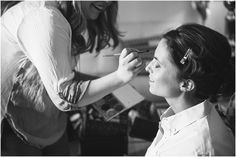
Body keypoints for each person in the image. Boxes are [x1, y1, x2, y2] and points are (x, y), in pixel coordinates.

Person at [1, 1, 145, 155]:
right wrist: (119, 77)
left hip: (50, 125)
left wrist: (121, 91)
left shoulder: (64, 16)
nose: (108, 1)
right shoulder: (44, 18)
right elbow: (66, 96)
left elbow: (59, 76)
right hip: (15, 128)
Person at [145, 23, 235, 156]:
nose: (148, 67)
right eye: (153, 59)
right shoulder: (176, 118)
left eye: (157, 65)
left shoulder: (192, 149)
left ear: (186, 85)